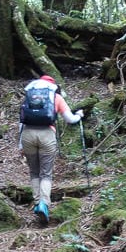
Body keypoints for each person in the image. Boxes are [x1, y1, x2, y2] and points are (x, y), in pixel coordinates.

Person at [18, 75, 83, 223]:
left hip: (28, 135)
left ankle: (36, 203)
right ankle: (44, 204)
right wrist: (79, 115)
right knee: (46, 173)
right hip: (47, 135)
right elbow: (70, 119)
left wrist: (20, 144)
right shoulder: (56, 96)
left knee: (34, 171)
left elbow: (21, 122)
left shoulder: (29, 96)